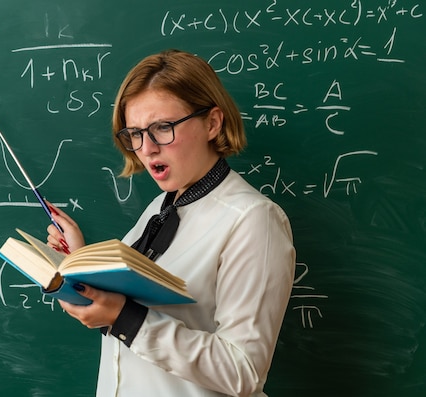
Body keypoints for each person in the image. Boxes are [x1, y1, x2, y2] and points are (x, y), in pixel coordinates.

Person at [45, 49, 296, 397]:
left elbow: (243, 371)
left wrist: (125, 319)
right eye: (134, 133)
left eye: (162, 128)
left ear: (212, 123)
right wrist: (82, 261)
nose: (145, 148)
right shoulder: (158, 208)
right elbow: (137, 308)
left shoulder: (254, 220)